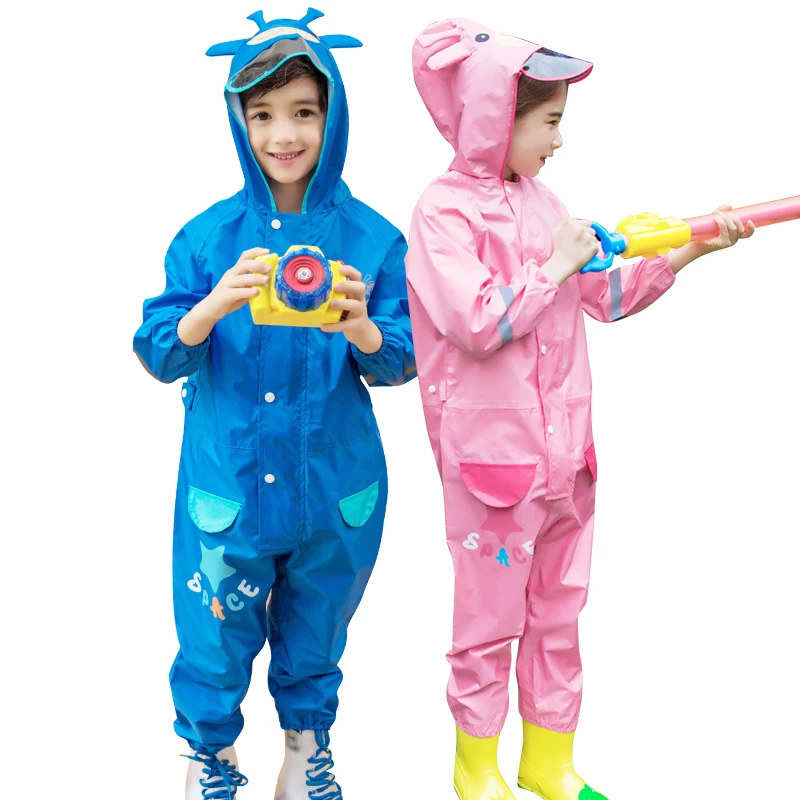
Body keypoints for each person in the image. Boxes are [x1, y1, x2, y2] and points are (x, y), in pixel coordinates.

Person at [405, 17, 753, 800]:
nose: (559, 140)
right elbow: (479, 322)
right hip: (494, 469)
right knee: (488, 626)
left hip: (568, 461)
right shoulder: (441, 214)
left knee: (558, 616)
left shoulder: (544, 201)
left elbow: (605, 296)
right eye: (550, 122)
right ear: (496, 117)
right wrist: (556, 264)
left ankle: (549, 762)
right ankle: (476, 769)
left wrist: (689, 251)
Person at [133, 9, 415, 799]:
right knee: (213, 631)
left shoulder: (373, 239)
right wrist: (213, 304)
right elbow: (157, 352)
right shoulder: (208, 238)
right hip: (227, 481)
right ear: (237, 120)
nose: (283, 135)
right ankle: (211, 757)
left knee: (319, 624)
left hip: (335, 484)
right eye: (262, 115)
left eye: (304, 112)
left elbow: (403, 360)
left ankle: (305, 749)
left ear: (335, 115)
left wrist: (361, 326)